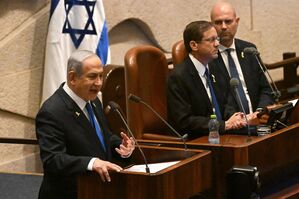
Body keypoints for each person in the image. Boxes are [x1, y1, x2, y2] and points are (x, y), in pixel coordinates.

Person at [36, 50, 135, 199]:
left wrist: (121, 146)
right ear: (73, 77)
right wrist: (91, 162)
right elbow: (53, 159)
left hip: (97, 190)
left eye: (101, 76)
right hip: (69, 193)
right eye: (92, 76)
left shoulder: (93, 101)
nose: (99, 83)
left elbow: (101, 136)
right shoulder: (51, 112)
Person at [167, 20, 246, 139]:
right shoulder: (178, 77)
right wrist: (224, 125)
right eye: (211, 40)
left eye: (217, 39)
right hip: (198, 139)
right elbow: (185, 121)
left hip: (224, 134)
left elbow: (226, 101)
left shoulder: (214, 66)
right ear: (194, 45)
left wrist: (235, 118)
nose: (217, 44)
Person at [209, 1, 274, 115]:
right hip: (230, 125)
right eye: (218, 22)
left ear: (237, 21)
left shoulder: (249, 49)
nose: (223, 27)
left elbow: (267, 89)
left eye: (228, 21)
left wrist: (260, 113)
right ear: (211, 25)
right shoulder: (208, 57)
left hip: (258, 119)